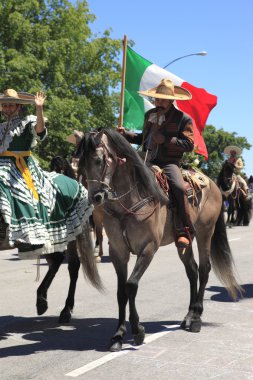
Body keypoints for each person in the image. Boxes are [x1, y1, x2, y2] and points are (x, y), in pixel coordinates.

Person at [0, 88, 93, 258]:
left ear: (18, 106)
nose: (7, 108)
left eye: (10, 105)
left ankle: (29, 238)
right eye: (4, 106)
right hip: (2, 164)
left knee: (23, 192)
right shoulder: (1, 127)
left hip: (22, 167)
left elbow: (40, 131)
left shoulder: (27, 123)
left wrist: (39, 109)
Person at [118, 78, 195, 249]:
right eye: (156, 98)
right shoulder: (149, 116)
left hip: (169, 162)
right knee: (120, 172)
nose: (157, 102)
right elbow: (143, 138)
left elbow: (189, 145)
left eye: (161, 99)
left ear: (171, 100)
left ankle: (183, 229)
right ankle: (119, 223)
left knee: (179, 187)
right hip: (146, 158)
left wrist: (167, 140)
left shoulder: (183, 119)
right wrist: (127, 135)